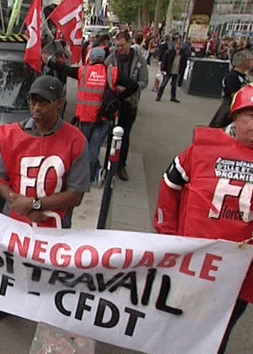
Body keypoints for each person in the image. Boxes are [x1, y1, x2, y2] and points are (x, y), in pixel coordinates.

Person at [0, 75, 90, 324]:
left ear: (60, 104)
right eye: (33, 102)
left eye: (44, 102)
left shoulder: (76, 141)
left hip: (53, 224)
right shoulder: (13, 135)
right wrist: (16, 201)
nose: (36, 108)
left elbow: (76, 194)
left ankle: (45, 307)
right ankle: (7, 303)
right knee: (13, 265)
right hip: (16, 219)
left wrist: (35, 204)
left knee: (48, 269)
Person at [154, 85, 253, 354]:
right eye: (250, 115)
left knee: (217, 334)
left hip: (238, 271)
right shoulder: (203, 149)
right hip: (194, 262)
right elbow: (170, 183)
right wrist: (168, 231)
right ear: (234, 116)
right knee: (178, 323)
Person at [44, 48, 115, 184]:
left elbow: (64, 69)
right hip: (104, 117)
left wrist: (48, 62)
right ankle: (92, 176)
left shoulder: (83, 71)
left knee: (84, 147)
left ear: (91, 58)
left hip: (87, 117)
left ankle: (84, 176)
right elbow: (132, 84)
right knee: (95, 147)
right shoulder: (111, 72)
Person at [104, 31, 148, 181]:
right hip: (114, 101)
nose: (120, 49)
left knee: (125, 134)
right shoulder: (111, 58)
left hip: (130, 103)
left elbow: (144, 81)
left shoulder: (139, 59)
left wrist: (131, 89)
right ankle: (108, 163)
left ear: (129, 43)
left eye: (122, 45)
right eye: (117, 45)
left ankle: (121, 165)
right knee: (110, 133)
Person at [210, 49, 253, 128]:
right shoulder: (232, 77)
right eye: (251, 60)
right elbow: (231, 94)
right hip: (230, 109)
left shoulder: (245, 77)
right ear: (243, 62)